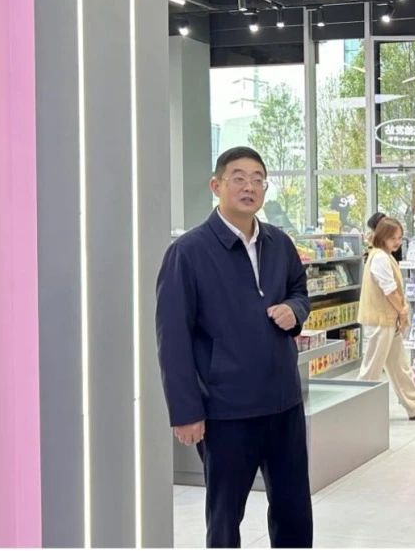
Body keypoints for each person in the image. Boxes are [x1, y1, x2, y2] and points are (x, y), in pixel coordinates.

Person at [156, 146, 313, 548]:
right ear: (217, 185)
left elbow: (299, 290)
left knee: (294, 511)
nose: (249, 187)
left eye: (258, 179)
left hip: (283, 402)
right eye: (238, 178)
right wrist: (186, 411)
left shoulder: (279, 242)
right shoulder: (188, 252)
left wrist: (295, 309)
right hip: (226, 411)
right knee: (225, 518)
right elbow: (172, 338)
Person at [357, 215, 415, 420]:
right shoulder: (380, 258)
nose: (397, 242)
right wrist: (402, 311)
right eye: (393, 238)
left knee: (400, 366)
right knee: (372, 368)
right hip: (380, 320)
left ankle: (414, 406)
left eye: (400, 238)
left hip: (387, 320)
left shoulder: (384, 255)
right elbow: (389, 290)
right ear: (382, 236)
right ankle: (356, 409)